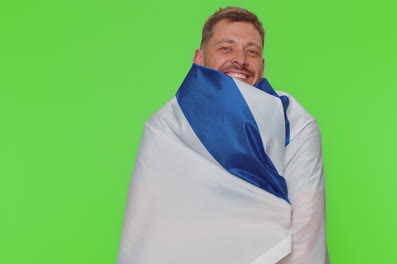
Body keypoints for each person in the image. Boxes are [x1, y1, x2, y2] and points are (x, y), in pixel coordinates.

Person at [117, 7, 329, 264]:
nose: (240, 59)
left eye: (252, 51)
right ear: (199, 58)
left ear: (262, 65)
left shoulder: (294, 121)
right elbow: (144, 227)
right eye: (226, 48)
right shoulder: (165, 126)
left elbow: (308, 225)